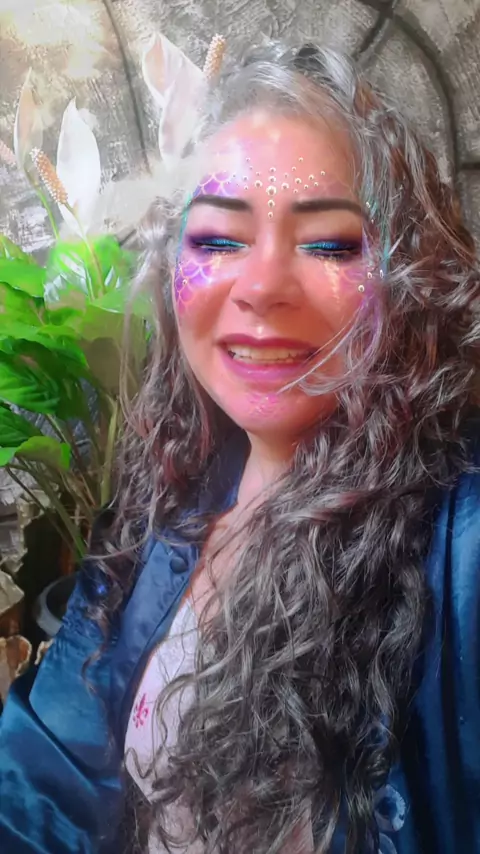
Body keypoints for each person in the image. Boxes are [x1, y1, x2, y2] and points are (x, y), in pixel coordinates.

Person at [1, 37, 480, 854]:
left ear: (408, 276)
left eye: (329, 244)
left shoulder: (459, 543)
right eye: (218, 241)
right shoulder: (166, 497)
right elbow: (46, 776)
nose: (260, 287)